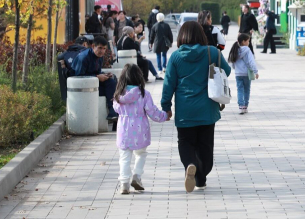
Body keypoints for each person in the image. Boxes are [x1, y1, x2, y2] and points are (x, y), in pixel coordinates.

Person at [161, 21, 231, 193]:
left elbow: (168, 84)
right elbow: (227, 70)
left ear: (181, 36)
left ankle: (190, 164)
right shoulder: (212, 52)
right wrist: (210, 70)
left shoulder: (176, 57)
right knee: (205, 145)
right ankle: (201, 178)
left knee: (185, 142)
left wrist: (166, 106)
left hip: (185, 111)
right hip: (207, 108)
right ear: (201, 34)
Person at [113, 64, 169, 194]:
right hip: (140, 131)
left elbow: (116, 109)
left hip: (124, 131)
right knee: (141, 154)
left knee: (124, 157)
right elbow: (152, 112)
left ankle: (124, 184)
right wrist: (165, 116)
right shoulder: (144, 94)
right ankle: (137, 176)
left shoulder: (118, 95)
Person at [71, 36, 118, 120]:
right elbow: (78, 77)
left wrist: (104, 75)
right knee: (110, 91)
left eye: (104, 48)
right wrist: (97, 77)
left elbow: (96, 72)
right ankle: (113, 111)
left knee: (112, 81)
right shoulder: (84, 57)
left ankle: (113, 112)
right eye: (100, 48)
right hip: (82, 89)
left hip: (93, 84)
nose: (102, 51)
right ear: (93, 46)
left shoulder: (100, 57)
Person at [228, 33, 259, 114]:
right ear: (243, 41)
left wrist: (236, 69)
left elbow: (233, 63)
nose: (249, 43)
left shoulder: (235, 49)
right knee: (247, 90)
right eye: (248, 41)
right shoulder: (247, 50)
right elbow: (251, 62)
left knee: (240, 89)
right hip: (246, 73)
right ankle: (245, 106)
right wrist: (256, 71)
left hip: (238, 74)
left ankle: (240, 106)